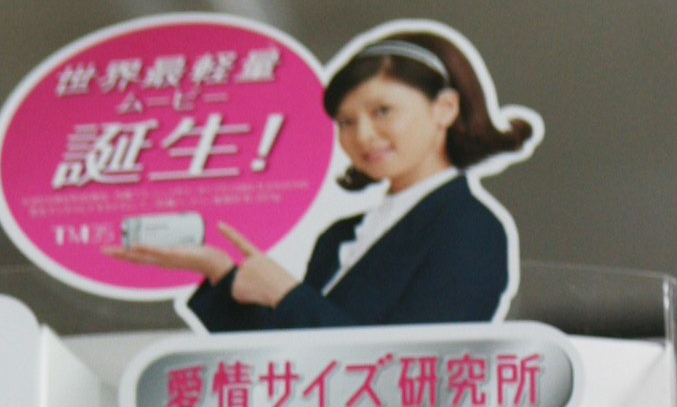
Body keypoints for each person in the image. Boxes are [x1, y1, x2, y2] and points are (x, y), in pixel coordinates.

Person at [131, 30, 535, 332]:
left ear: (444, 108)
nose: (363, 136)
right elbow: (287, 359)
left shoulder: (471, 228)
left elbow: (413, 371)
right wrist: (219, 271)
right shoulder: (339, 236)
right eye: (346, 122)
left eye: (382, 111)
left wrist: (284, 293)